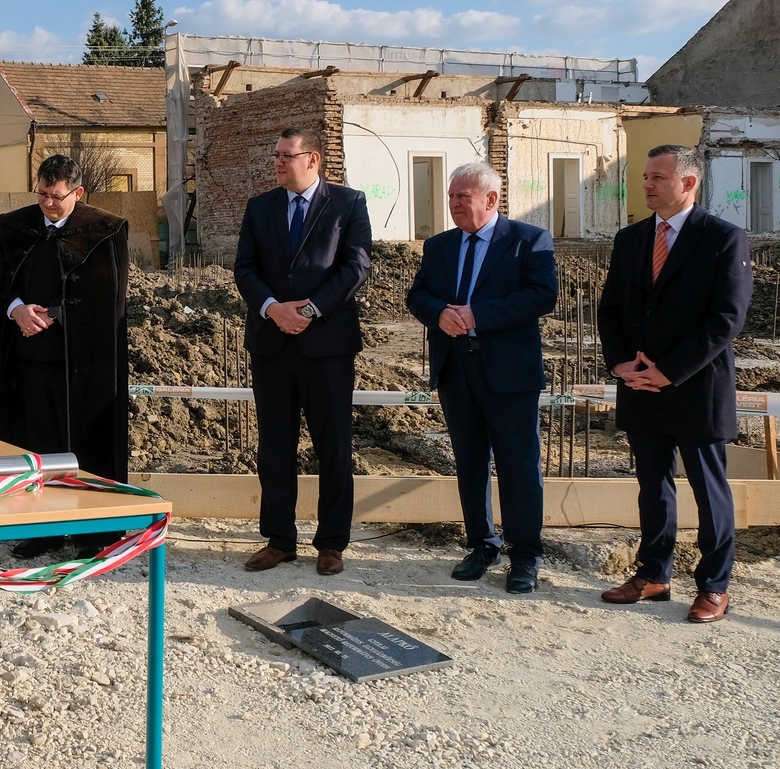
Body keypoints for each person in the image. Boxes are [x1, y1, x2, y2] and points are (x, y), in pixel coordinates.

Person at [596, 144, 752, 623]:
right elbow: (611, 308)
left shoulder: (723, 238)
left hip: (696, 386)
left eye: (657, 177)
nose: (646, 184)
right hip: (639, 384)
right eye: (645, 176)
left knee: (709, 489)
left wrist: (668, 371)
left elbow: (726, 318)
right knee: (652, 486)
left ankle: (714, 585)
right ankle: (653, 574)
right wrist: (621, 364)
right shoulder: (631, 239)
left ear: (688, 183)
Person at [405, 163, 557, 593]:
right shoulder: (439, 246)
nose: (453, 204)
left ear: (491, 199)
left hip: (509, 373)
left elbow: (542, 296)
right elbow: (417, 295)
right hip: (456, 370)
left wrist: (478, 316)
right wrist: (439, 313)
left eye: (463, 197)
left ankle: (524, 556)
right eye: (451, 196)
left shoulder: (528, 240)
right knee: (470, 462)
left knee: (518, 466)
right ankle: (481, 545)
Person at [234, 127, 372, 576]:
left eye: (286, 156)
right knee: (275, 446)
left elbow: (356, 266)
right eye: (275, 155)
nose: (277, 162)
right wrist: (273, 308)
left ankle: (331, 543)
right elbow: (245, 269)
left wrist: (310, 310)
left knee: (333, 446)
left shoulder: (348, 203)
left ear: (312, 159)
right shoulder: (260, 207)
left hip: (327, 344)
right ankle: (279, 540)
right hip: (272, 343)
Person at [0, 154, 131, 560]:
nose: (48, 203)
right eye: (42, 194)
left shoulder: (104, 230)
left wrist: (55, 314)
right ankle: (42, 528)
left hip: (82, 364)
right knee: (38, 446)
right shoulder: (15, 227)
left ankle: (89, 531)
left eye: (57, 196)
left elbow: (108, 298)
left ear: (78, 193)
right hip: (28, 360)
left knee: (84, 445)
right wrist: (16, 310)